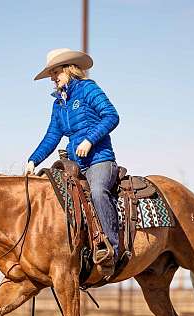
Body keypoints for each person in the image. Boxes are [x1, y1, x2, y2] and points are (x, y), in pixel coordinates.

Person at [25, 48, 120, 276]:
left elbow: (111, 115)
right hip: (75, 165)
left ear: (69, 70)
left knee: (97, 192)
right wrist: (33, 160)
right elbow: (52, 136)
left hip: (99, 160)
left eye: (55, 72)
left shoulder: (88, 89)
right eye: (50, 74)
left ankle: (112, 250)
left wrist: (89, 140)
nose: (52, 78)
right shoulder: (59, 104)